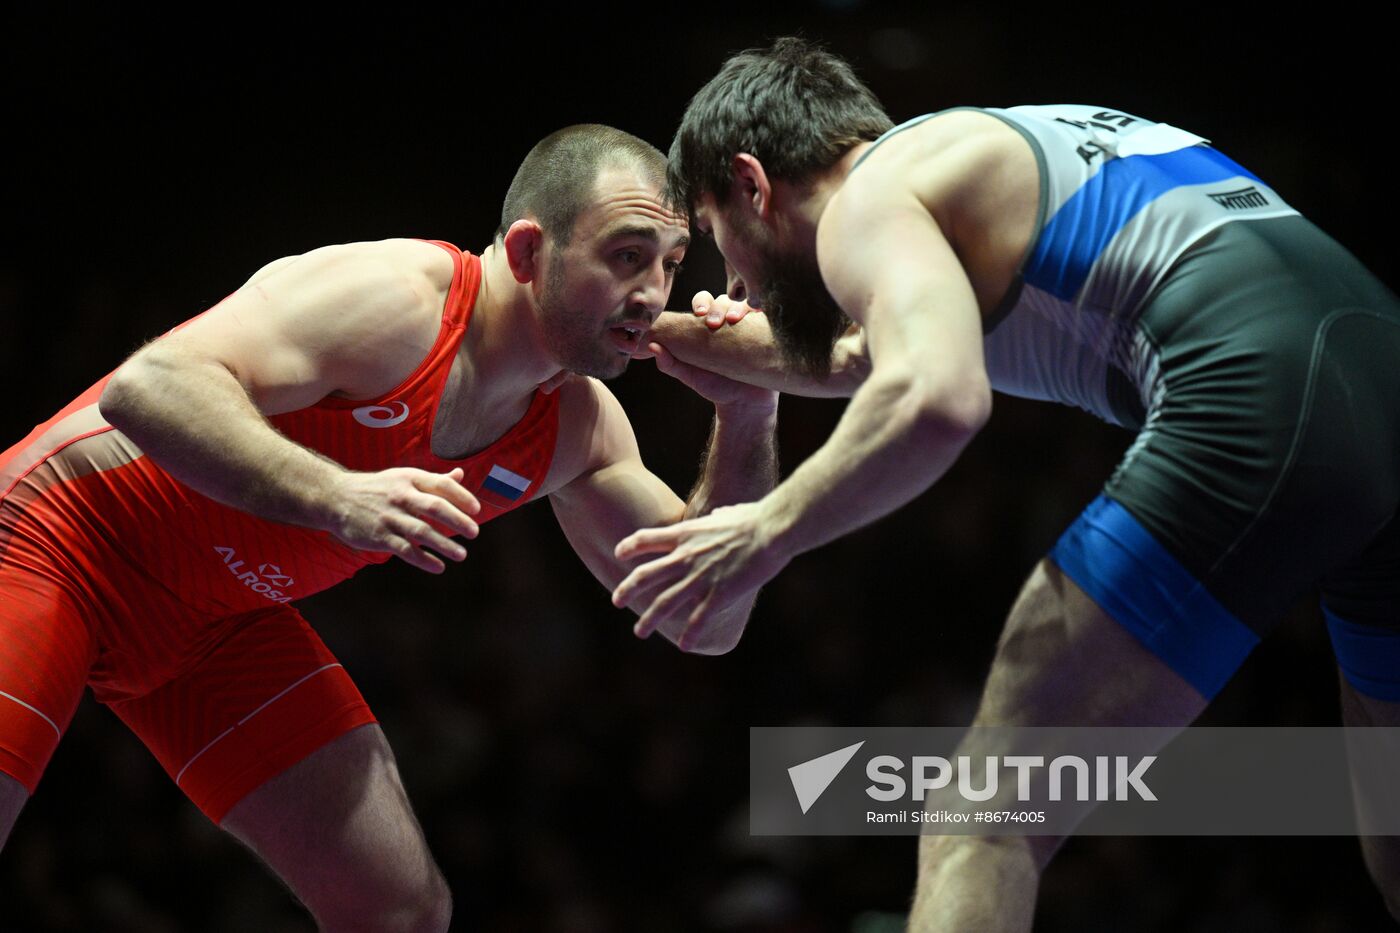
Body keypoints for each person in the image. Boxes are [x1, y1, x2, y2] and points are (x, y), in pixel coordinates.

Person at [614, 37, 1400, 930]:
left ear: (753, 185)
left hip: (1261, 388)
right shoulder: (960, 161)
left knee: (981, 818)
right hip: (1379, 358)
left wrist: (764, 530)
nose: (736, 283)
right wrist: (669, 335)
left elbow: (937, 395)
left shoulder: (864, 204)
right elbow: (860, 359)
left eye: (720, 242)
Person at [0, 123, 778, 931]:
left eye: (672, 263)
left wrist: (749, 411)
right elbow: (148, 387)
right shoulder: (397, 298)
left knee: (398, 913)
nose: (654, 291)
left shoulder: (578, 431)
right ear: (526, 253)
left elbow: (708, 619)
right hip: (54, 542)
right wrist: (340, 496)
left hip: (211, 630)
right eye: (626, 256)